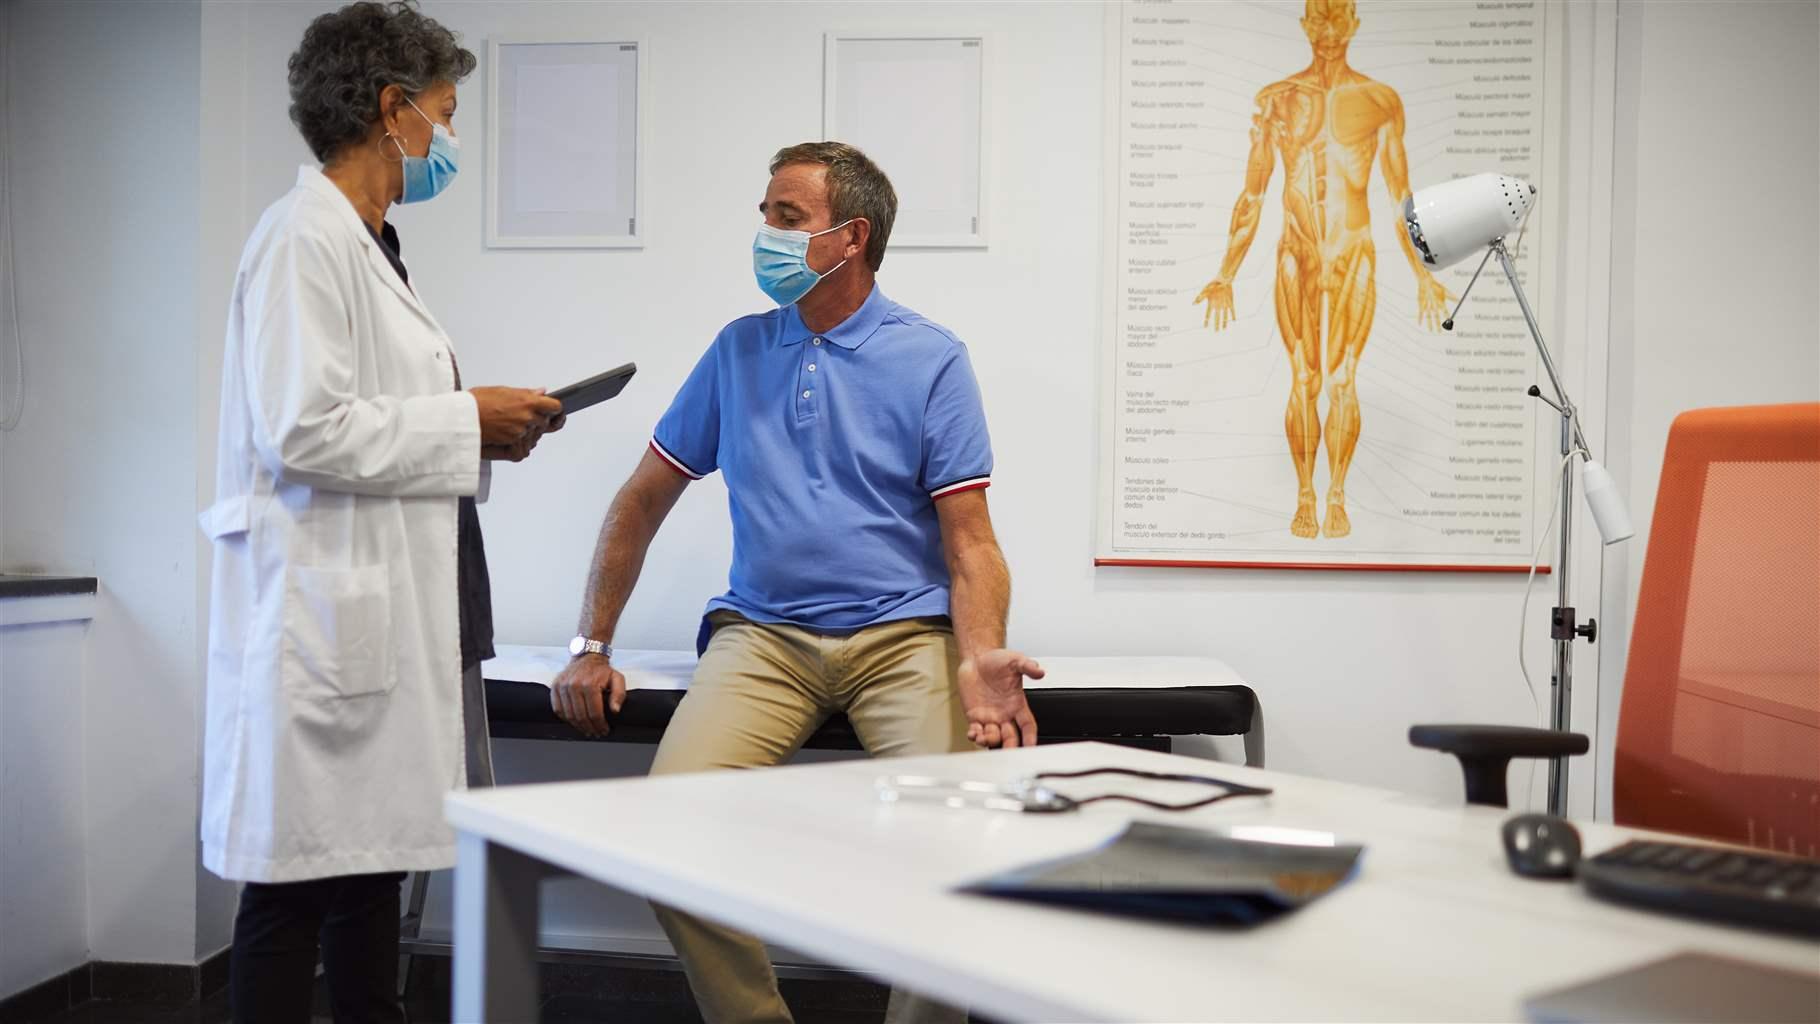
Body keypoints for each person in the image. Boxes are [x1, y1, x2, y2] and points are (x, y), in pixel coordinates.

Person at [549, 142, 1041, 1024]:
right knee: (665, 835)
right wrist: (591, 645)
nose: (764, 232)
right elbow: (643, 496)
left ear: (849, 238)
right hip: (763, 637)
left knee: (959, 852)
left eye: (786, 216)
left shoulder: (929, 358)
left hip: (902, 636)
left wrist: (981, 658)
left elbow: (969, 540)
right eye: (766, 213)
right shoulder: (738, 351)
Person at [198, 3, 562, 1021]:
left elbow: (372, 415)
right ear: (392, 108)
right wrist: (466, 418)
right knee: (294, 889)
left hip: (378, 611)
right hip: (322, 621)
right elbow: (301, 429)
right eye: (445, 113)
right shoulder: (299, 240)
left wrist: (479, 426)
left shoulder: (372, 245)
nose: (449, 138)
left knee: (368, 876)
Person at [1193, 0, 1452, 540]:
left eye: (1339, 18)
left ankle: (1336, 494)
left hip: (1354, 252)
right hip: (1297, 252)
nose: (1329, 31)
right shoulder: (1277, 101)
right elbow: (1253, 192)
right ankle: (1305, 496)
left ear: (1354, 24)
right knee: (1304, 379)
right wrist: (1226, 271)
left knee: (1342, 380)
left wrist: (1424, 271)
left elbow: (1400, 196)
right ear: (1305, 25)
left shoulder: (1379, 101)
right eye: (1319, 18)